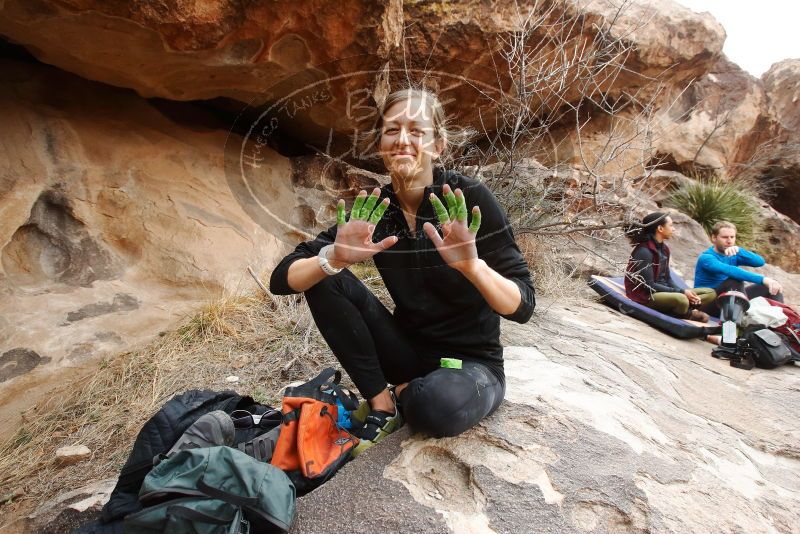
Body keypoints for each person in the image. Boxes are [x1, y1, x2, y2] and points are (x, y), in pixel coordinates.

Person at [269, 88, 535, 453]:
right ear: (379, 143)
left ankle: (406, 394)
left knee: (435, 407)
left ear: (437, 145)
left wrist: (473, 267)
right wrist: (334, 258)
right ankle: (382, 404)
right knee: (325, 278)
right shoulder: (378, 209)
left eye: (417, 131)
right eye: (392, 130)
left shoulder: (467, 200)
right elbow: (281, 279)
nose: (403, 140)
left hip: (471, 366)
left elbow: (523, 305)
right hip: (406, 354)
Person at [624, 212, 716, 322]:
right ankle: (685, 311)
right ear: (660, 229)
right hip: (646, 296)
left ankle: (683, 309)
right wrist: (681, 292)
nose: (674, 229)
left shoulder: (664, 249)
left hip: (665, 292)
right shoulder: (644, 251)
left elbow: (667, 278)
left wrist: (683, 292)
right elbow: (648, 285)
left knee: (710, 293)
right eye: (671, 225)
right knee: (681, 299)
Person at [694, 221, 784, 312]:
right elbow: (730, 270)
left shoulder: (733, 254)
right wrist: (763, 279)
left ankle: (781, 320)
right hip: (706, 304)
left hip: (729, 300)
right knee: (734, 281)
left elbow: (759, 262)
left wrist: (739, 250)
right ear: (714, 238)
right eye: (725, 237)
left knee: (772, 286)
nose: (729, 241)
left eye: (732, 237)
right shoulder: (706, 258)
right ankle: (736, 321)